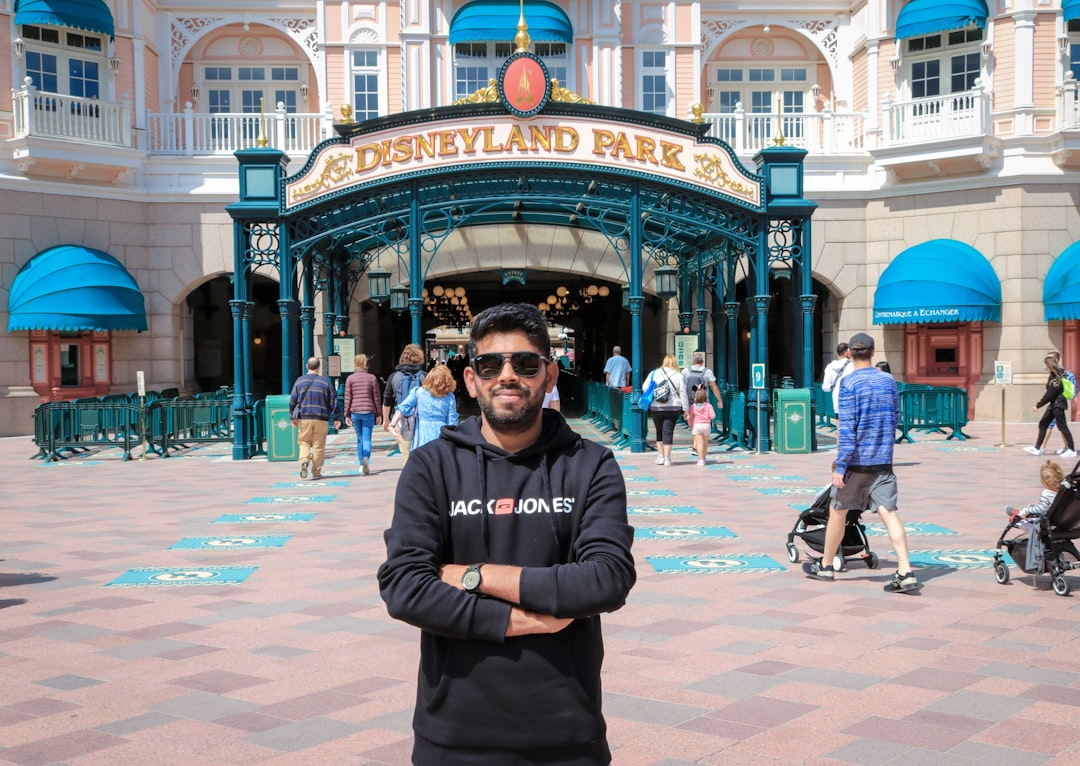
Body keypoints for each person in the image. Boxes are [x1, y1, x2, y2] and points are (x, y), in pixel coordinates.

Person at [378, 302, 636, 765]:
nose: (508, 375)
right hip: (452, 734)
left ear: (550, 376)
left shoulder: (591, 464)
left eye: (526, 363)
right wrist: (522, 620)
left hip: (566, 733)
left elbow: (607, 579)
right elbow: (404, 588)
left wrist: (472, 575)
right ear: (471, 378)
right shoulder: (431, 466)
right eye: (490, 364)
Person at [805, 332, 920, 593]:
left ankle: (826, 566)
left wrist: (841, 467)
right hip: (883, 460)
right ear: (873, 351)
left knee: (838, 510)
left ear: (850, 353)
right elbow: (896, 418)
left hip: (857, 461)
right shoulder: (889, 381)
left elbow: (848, 429)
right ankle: (905, 570)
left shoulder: (849, 384)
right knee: (889, 513)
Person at [390, 363, 459, 450]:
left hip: (421, 433)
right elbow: (452, 420)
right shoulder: (449, 396)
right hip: (441, 434)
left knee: (422, 459)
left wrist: (392, 424)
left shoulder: (418, 392)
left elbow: (403, 407)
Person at [288, 357, 336, 480]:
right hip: (321, 417)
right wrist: (337, 418)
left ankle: (304, 461)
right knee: (318, 445)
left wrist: (292, 416)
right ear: (319, 367)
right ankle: (316, 472)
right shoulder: (325, 382)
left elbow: (292, 400)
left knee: (304, 442)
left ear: (306, 366)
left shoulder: (299, 381)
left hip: (304, 418)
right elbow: (333, 401)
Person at [1024, 353, 1077, 458]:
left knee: (1063, 427)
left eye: (1044, 364)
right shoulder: (1059, 374)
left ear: (1048, 365)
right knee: (1043, 423)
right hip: (1054, 405)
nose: (1044, 367)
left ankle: (1071, 450)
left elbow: (1050, 394)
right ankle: (1037, 448)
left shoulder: (1055, 378)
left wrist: (1038, 405)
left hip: (1058, 405)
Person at [383, 343, 427, 462]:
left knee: (406, 452)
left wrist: (386, 419)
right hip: (419, 418)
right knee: (420, 451)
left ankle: (409, 475)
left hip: (400, 419)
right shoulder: (424, 376)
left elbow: (387, 399)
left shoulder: (394, 376)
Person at [342, 354, 382, 475]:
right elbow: (376, 397)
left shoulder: (350, 378)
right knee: (367, 438)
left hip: (355, 411)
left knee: (359, 439)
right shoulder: (372, 378)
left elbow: (347, 398)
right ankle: (366, 458)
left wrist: (346, 414)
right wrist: (379, 414)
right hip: (368, 411)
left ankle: (361, 464)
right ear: (365, 363)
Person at [644, 354, 687, 466]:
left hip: (656, 407)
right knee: (668, 431)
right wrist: (686, 409)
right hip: (673, 407)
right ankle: (668, 459)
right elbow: (683, 393)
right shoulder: (678, 375)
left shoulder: (654, 373)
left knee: (659, 431)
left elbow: (644, 387)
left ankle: (661, 456)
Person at [1005, 459, 1064, 532]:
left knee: (1021, 519)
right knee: (1032, 507)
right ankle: (1021, 512)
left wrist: (1027, 510)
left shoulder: (1047, 493)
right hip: (1062, 521)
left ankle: (1020, 513)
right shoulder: (1065, 493)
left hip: (1047, 523)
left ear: (1043, 481)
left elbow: (1041, 509)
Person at [681, 351, 724, 419]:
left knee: (692, 422)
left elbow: (681, 387)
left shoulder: (685, 371)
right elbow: (714, 387)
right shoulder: (707, 372)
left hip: (688, 402)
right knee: (704, 420)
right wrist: (719, 400)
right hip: (703, 402)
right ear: (702, 361)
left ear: (693, 361)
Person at [686, 387, 717, 466]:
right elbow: (713, 416)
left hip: (697, 425)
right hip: (706, 425)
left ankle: (701, 460)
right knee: (705, 443)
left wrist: (690, 424)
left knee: (699, 443)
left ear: (695, 397)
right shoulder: (708, 406)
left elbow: (690, 417)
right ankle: (704, 457)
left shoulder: (693, 407)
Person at [821, 342, 852, 418]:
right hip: (851, 401)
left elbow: (826, 387)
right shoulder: (852, 366)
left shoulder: (830, 367)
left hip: (838, 400)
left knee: (840, 426)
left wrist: (834, 386)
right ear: (847, 351)